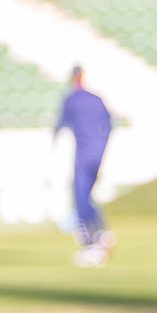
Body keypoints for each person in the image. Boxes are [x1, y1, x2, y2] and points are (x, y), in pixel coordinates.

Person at [56, 66, 115, 267]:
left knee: (80, 198)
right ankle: (102, 234)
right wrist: (102, 144)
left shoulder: (71, 100)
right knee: (88, 197)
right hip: (97, 154)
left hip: (82, 155)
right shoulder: (96, 99)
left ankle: (92, 245)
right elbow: (110, 122)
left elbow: (59, 127)